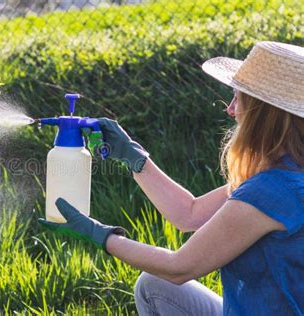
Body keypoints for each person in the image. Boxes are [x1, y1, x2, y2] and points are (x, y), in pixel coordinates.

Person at [38, 41, 304, 315]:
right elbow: (189, 214)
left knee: (163, 278)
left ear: (264, 115)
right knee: (153, 285)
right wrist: (136, 159)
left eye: (239, 98)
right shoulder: (286, 172)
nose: (230, 109)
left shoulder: (272, 191)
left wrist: (101, 235)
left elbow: (179, 268)